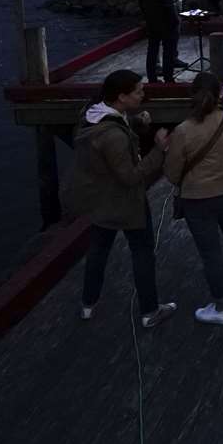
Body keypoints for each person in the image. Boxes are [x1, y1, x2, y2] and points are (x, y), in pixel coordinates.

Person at [68, 69, 177, 327]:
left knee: (98, 250)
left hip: (99, 199)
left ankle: (88, 304)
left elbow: (112, 138)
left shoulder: (92, 118)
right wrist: (159, 150)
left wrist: (136, 124)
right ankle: (150, 312)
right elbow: (130, 175)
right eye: (138, 91)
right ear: (122, 97)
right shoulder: (114, 136)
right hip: (125, 203)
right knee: (142, 252)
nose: (143, 93)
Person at [165, 73, 223, 325]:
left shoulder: (183, 131)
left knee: (211, 253)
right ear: (221, 93)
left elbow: (173, 174)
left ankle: (221, 307)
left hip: (198, 200)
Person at [137, 0, 181, 83]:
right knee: (168, 50)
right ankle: (169, 78)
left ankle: (152, 78)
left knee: (153, 49)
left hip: (151, 19)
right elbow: (169, 3)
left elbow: (141, 0)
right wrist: (176, 19)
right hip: (166, 21)